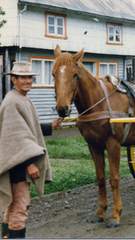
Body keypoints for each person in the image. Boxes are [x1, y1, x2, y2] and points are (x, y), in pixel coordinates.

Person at [0, 62, 62, 238]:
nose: (28, 81)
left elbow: (27, 128)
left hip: (15, 160)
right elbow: (16, 137)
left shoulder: (20, 98)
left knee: (11, 205)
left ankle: (5, 236)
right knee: (21, 206)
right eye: (23, 77)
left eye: (30, 77)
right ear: (13, 79)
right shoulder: (12, 101)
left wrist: (49, 127)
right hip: (18, 163)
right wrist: (30, 163)